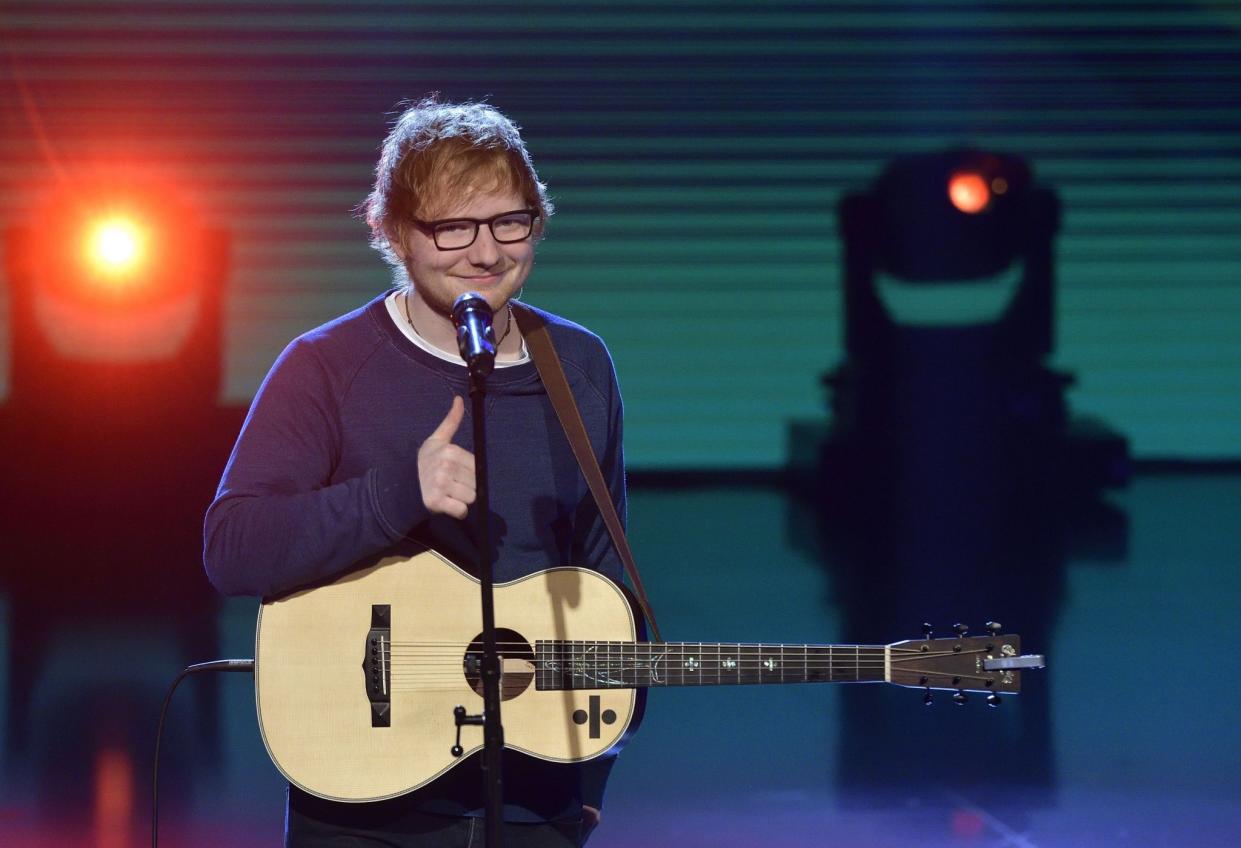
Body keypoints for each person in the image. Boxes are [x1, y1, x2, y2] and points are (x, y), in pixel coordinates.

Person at [204, 97, 626, 847]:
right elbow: (234, 548)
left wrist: (592, 777)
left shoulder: (580, 366)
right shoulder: (325, 366)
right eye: (452, 227)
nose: (486, 252)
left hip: (535, 796)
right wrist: (398, 493)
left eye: (509, 221)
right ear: (394, 231)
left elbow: (601, 578)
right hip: (364, 792)